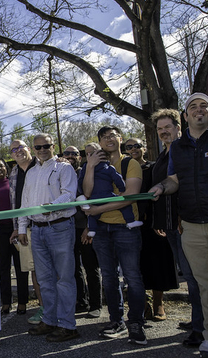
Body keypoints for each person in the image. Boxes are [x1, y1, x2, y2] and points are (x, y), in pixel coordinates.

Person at [149, 92, 208, 358]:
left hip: (193, 222)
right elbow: (173, 181)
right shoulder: (173, 151)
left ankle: (201, 329)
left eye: (203, 106)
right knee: (201, 283)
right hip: (186, 226)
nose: (199, 110)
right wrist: (162, 188)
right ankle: (205, 331)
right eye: (193, 107)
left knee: (202, 283)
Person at [82, 125, 146, 345]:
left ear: (120, 139)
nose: (108, 139)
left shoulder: (130, 163)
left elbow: (129, 196)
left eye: (112, 136)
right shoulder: (93, 164)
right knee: (109, 278)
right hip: (100, 231)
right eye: (103, 137)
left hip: (126, 229)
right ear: (99, 142)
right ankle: (116, 321)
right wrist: (90, 166)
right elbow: (87, 193)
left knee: (132, 277)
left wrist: (97, 210)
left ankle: (136, 322)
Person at [15, 134, 79, 342]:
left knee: (64, 279)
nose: (42, 150)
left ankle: (67, 325)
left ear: (53, 147)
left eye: (46, 146)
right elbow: (25, 203)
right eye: (38, 147)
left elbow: (69, 194)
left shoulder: (64, 168)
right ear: (33, 150)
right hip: (38, 230)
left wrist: (54, 205)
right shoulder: (32, 173)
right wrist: (23, 227)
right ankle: (50, 320)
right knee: (44, 280)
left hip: (60, 227)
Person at [125, 137, 178, 322]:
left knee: (158, 263)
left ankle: (158, 304)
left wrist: (159, 220)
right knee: (136, 266)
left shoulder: (155, 167)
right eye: (129, 146)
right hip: (130, 224)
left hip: (153, 224)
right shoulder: (123, 169)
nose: (133, 149)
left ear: (144, 148)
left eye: (137, 146)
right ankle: (143, 305)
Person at [63, 146, 102, 319]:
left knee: (90, 266)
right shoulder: (61, 172)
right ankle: (81, 301)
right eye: (67, 154)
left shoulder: (86, 172)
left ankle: (96, 304)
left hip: (85, 226)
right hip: (67, 228)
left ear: (80, 157)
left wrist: (89, 226)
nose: (70, 156)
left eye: (74, 154)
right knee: (73, 268)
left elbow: (93, 199)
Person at [8, 140, 43, 324]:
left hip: (46, 224)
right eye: (14, 150)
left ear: (29, 149)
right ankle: (44, 308)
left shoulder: (41, 165)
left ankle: (58, 308)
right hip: (25, 228)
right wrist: (16, 227)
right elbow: (15, 202)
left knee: (50, 271)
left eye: (21, 147)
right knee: (34, 272)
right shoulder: (13, 173)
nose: (18, 151)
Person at [78, 145, 142, 238]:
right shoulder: (86, 168)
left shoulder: (109, 166)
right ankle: (130, 221)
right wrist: (89, 166)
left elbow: (128, 191)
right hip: (102, 205)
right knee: (92, 213)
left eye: (92, 153)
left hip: (118, 219)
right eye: (87, 154)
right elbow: (84, 190)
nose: (90, 156)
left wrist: (122, 190)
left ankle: (92, 230)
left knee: (123, 204)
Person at [0, 157, 24, 315]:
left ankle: (22, 301)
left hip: (15, 228)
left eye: (1, 166)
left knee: (20, 266)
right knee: (3, 268)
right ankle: (6, 302)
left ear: (6, 168)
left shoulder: (13, 183)